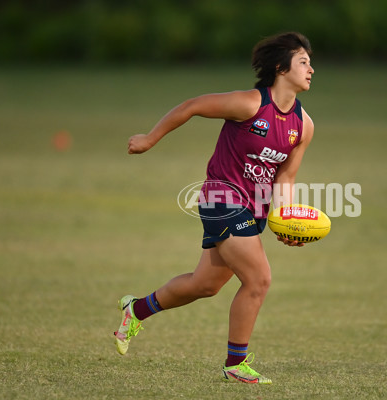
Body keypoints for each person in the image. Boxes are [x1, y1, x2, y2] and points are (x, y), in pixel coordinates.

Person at [113, 32, 315, 385]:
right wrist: (149, 138)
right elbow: (192, 106)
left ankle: (136, 309)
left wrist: (288, 224)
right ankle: (235, 363)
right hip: (222, 197)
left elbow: (286, 179)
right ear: (281, 68)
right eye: (303, 62)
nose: (311, 69)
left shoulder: (304, 125)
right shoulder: (250, 104)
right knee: (259, 279)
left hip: (255, 210)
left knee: (204, 284)